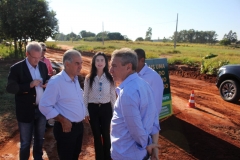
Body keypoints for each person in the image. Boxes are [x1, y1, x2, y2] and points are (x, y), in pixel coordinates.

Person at [109, 48, 160, 160]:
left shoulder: (127, 93)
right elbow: (154, 116)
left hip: (126, 154)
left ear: (128, 67)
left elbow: (136, 130)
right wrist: (153, 144)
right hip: (139, 154)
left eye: (114, 66)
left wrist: (148, 144)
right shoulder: (145, 85)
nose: (110, 70)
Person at [6, 42, 50, 160]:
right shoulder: (16, 68)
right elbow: (10, 88)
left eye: (39, 57)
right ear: (27, 54)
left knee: (40, 139)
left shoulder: (43, 66)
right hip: (25, 111)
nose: (37, 60)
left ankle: (38, 158)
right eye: (34, 57)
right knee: (25, 142)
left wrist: (48, 82)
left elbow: (47, 78)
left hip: (41, 109)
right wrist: (29, 85)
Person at [39, 49, 86, 160]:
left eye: (81, 63)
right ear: (67, 64)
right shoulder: (56, 82)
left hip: (78, 127)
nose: (80, 66)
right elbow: (44, 105)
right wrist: (63, 120)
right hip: (66, 129)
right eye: (77, 63)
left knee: (75, 155)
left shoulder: (74, 79)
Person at [84, 52, 116, 160]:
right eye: (97, 60)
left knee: (106, 134)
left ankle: (108, 156)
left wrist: (114, 111)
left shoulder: (110, 77)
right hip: (93, 109)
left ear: (106, 63)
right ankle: (99, 157)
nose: (100, 63)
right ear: (94, 62)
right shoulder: (89, 78)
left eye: (102, 60)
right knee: (97, 135)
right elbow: (86, 95)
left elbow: (112, 96)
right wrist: (86, 112)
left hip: (106, 108)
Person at [135, 48, 164, 117]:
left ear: (142, 60)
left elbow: (156, 101)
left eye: (134, 61)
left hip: (147, 119)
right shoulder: (135, 74)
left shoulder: (153, 77)